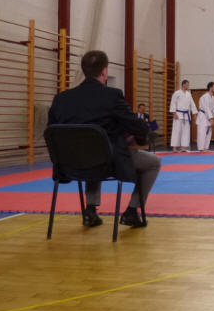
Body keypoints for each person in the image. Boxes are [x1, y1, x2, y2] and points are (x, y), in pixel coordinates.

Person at [48, 50, 161, 228]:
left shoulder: (61, 99)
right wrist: (145, 131)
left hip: (68, 164)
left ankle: (90, 211)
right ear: (104, 71)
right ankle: (132, 211)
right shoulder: (112, 96)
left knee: (89, 148)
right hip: (107, 163)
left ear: (84, 70)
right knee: (153, 162)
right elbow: (137, 126)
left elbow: (51, 133)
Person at [169, 79, 197, 152]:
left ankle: (184, 147)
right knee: (177, 131)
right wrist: (174, 113)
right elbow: (173, 103)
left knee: (186, 132)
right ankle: (174, 147)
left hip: (186, 115)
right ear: (183, 84)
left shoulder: (189, 94)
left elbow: (192, 104)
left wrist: (194, 114)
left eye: (188, 85)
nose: (188, 86)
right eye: (187, 85)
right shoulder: (177, 93)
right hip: (178, 114)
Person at [196, 81, 214, 151]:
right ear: (210, 88)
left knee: (209, 132)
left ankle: (206, 147)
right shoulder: (205, 97)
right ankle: (201, 148)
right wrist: (211, 118)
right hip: (203, 116)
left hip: (208, 116)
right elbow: (206, 108)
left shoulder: (213, 97)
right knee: (202, 132)